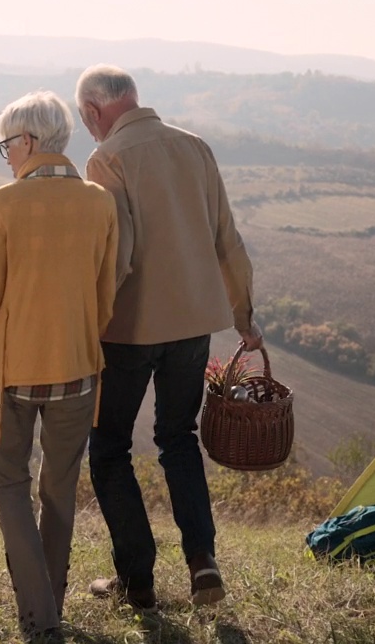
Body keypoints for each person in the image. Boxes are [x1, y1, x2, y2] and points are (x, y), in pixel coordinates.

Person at [75, 65, 261, 610]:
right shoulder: (195, 147)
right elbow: (228, 238)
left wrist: (88, 322)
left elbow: (121, 255)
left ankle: (138, 582)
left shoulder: (106, 158)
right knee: (178, 439)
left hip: (128, 329)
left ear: (92, 111)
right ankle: (203, 563)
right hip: (194, 325)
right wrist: (244, 316)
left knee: (109, 448)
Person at [0, 91, 118, 640]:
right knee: (59, 490)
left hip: (10, 376)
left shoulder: (2, 204)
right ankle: (51, 608)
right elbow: (105, 295)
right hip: (78, 370)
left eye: (7, 145)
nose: (7, 156)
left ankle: (39, 617)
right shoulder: (100, 203)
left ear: (29, 141)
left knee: (11, 487)